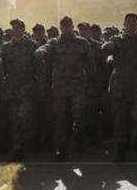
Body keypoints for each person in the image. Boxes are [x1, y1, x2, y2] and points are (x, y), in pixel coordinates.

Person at [35, 16, 96, 161]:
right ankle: (61, 148)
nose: (66, 28)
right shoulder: (55, 43)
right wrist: (40, 51)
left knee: (79, 115)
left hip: (77, 86)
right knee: (61, 119)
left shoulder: (82, 43)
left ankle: (79, 137)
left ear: (72, 26)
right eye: (63, 25)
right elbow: (46, 48)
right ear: (60, 27)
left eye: (68, 25)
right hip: (60, 87)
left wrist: (91, 82)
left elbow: (91, 65)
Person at [101, 13, 137, 162]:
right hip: (119, 87)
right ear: (124, 24)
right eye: (128, 22)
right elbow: (105, 50)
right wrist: (108, 47)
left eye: (134, 22)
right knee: (120, 120)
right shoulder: (116, 40)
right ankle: (121, 148)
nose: (131, 24)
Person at [0, 19, 38, 161]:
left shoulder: (31, 45)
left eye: (18, 27)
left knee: (24, 116)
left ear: (23, 29)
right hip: (12, 89)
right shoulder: (6, 47)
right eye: (13, 28)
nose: (15, 30)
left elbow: (39, 66)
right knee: (14, 120)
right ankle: (18, 147)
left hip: (27, 88)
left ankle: (29, 141)